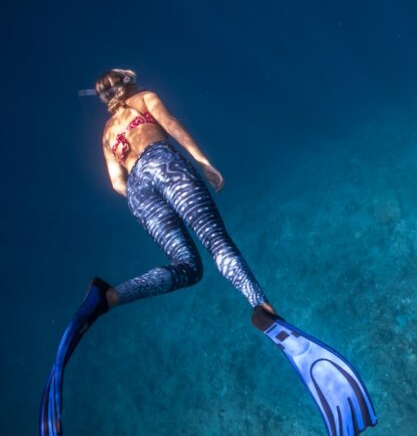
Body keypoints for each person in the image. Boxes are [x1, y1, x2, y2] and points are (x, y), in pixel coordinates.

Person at [40, 69, 377, 436]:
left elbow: (117, 183)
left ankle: (110, 297)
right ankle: (261, 306)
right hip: (163, 163)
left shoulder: (107, 135)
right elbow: (171, 126)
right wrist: (200, 162)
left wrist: (145, 192)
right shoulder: (145, 98)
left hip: (139, 192)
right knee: (216, 241)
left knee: (186, 267)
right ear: (128, 84)